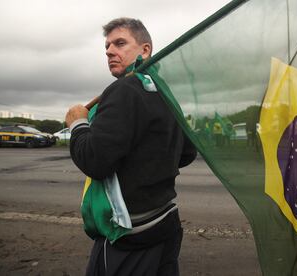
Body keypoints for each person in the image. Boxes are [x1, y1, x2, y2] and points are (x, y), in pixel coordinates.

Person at [65, 17, 197, 276]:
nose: (110, 51)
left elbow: (94, 160)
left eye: (120, 43)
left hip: (130, 234)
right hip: (166, 221)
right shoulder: (164, 91)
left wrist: (78, 123)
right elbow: (187, 153)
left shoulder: (123, 89)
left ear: (145, 50)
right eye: (107, 47)